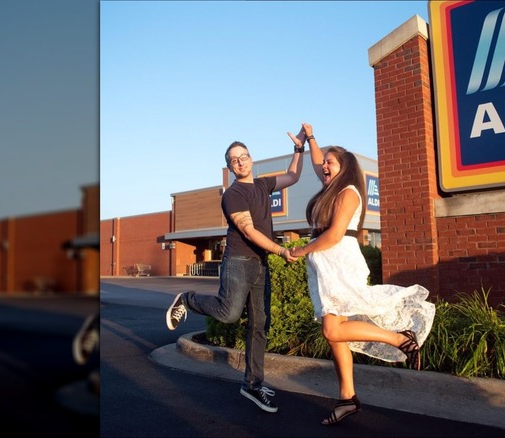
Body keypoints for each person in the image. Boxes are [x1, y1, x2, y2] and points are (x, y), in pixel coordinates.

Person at [289, 123, 436, 426]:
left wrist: (300, 251)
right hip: (323, 265)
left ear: (343, 168)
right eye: (325, 163)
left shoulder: (349, 193)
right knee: (335, 335)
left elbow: (333, 235)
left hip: (339, 260)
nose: (324, 166)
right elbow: (318, 163)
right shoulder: (331, 187)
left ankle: (400, 338)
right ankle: (347, 398)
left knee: (332, 330)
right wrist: (310, 138)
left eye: (330, 163)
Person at [165, 127, 306, 413]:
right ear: (230, 167)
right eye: (234, 160)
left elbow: (293, 176)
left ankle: (253, 384)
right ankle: (188, 300)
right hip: (239, 261)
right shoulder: (233, 195)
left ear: (251, 159)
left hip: (260, 266)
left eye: (243, 156)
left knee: (259, 326)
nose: (240, 162)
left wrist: (299, 149)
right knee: (229, 313)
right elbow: (249, 230)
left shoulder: (263, 185)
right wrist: (280, 250)